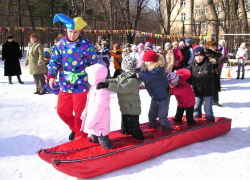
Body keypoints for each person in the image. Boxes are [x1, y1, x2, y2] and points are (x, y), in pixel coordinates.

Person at [47, 13, 98, 141]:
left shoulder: (86, 45)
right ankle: (76, 129)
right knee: (62, 111)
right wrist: (52, 75)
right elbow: (54, 61)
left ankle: (80, 139)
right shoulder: (60, 44)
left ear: (80, 31)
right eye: (70, 31)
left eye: (75, 32)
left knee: (79, 115)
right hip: (64, 84)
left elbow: (94, 64)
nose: (72, 35)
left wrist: (95, 80)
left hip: (80, 85)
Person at [97, 56, 145, 140]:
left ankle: (139, 139)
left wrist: (107, 85)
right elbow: (116, 80)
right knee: (125, 127)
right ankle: (126, 134)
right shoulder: (125, 74)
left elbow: (122, 88)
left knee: (134, 128)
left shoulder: (133, 79)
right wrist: (104, 81)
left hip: (132, 109)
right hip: (125, 107)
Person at [135, 50, 172, 131]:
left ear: (154, 61)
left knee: (162, 118)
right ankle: (153, 128)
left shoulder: (159, 70)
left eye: (148, 61)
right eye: (145, 61)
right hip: (155, 96)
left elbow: (151, 76)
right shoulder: (146, 69)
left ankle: (167, 131)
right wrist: (131, 71)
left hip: (164, 97)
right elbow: (138, 70)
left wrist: (139, 75)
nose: (146, 63)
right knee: (151, 116)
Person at [80, 64, 113, 149]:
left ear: (98, 78)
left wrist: (90, 122)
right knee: (95, 141)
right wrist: (85, 113)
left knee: (103, 141)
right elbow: (89, 103)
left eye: (91, 77)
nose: (89, 79)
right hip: (93, 123)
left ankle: (111, 153)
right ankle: (97, 154)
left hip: (100, 124)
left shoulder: (102, 91)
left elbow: (98, 109)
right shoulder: (93, 88)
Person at [187, 47, 215, 122]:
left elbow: (203, 76)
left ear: (203, 55)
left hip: (207, 90)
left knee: (208, 110)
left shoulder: (207, 64)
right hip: (197, 91)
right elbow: (187, 72)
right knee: (196, 110)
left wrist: (191, 79)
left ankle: (210, 124)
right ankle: (196, 124)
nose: (198, 58)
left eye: (200, 56)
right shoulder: (192, 63)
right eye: (196, 56)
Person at [205, 41, 228, 107]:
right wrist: (222, 59)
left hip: (216, 71)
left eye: (215, 47)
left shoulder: (216, 53)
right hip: (209, 72)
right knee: (210, 87)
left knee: (216, 86)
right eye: (213, 47)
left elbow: (218, 59)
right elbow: (213, 61)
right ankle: (208, 100)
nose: (214, 48)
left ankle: (215, 100)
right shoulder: (207, 53)